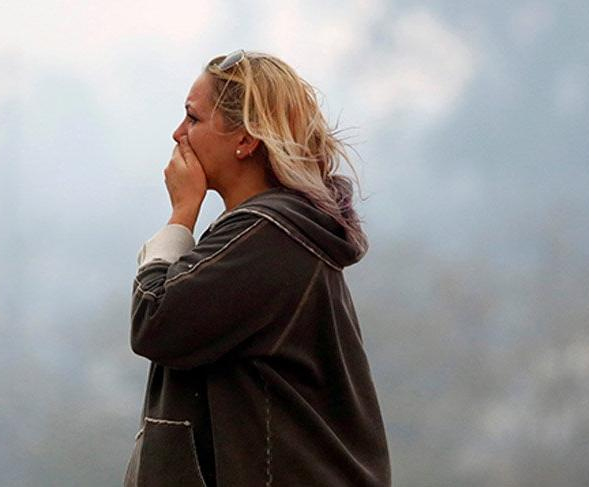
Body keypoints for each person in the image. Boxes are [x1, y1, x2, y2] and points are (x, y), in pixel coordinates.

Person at [124, 50, 391, 486]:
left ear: (245, 141)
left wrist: (181, 215)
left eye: (193, 118)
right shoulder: (267, 231)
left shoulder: (270, 235)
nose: (178, 134)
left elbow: (155, 320)